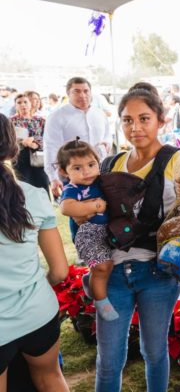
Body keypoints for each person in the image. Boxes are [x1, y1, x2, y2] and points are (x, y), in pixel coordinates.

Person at [95, 83, 180, 392]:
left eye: (144, 119)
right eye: (127, 120)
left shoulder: (176, 160)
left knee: (154, 351)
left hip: (158, 272)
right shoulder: (112, 163)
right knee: (108, 360)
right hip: (113, 273)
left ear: (160, 120)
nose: (135, 127)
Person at [0, 113, 69, 391]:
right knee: (51, 379)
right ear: (12, 148)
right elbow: (60, 271)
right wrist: (35, 288)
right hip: (39, 313)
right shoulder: (34, 195)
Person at [56, 139, 118, 321]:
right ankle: (101, 302)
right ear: (63, 171)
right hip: (88, 234)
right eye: (77, 168)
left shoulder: (101, 182)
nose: (86, 171)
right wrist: (96, 206)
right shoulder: (72, 188)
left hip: (107, 231)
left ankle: (90, 280)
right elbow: (66, 208)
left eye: (91, 165)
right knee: (103, 266)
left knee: (110, 265)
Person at [44, 76, 111, 199]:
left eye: (86, 91)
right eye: (77, 91)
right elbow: (51, 147)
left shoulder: (99, 114)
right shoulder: (57, 117)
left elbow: (107, 137)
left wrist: (106, 144)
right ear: (68, 93)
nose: (82, 95)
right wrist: (53, 178)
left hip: (99, 172)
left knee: (102, 206)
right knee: (76, 208)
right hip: (72, 175)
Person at [10, 93, 50, 192]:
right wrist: (22, 142)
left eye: (25, 102)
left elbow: (48, 138)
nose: (23, 105)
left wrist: (35, 142)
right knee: (23, 186)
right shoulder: (10, 121)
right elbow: (8, 140)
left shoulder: (41, 120)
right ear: (15, 106)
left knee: (42, 184)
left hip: (39, 157)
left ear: (30, 104)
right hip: (19, 158)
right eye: (19, 103)